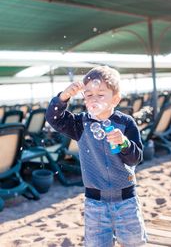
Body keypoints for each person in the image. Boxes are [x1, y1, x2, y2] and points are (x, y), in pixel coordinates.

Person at [46, 65, 147, 247]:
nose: (94, 99)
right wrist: (63, 97)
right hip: (95, 202)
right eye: (89, 94)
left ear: (115, 99)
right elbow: (54, 119)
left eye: (101, 95)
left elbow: (136, 158)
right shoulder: (81, 124)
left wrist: (123, 143)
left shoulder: (125, 123)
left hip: (126, 200)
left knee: (134, 243)